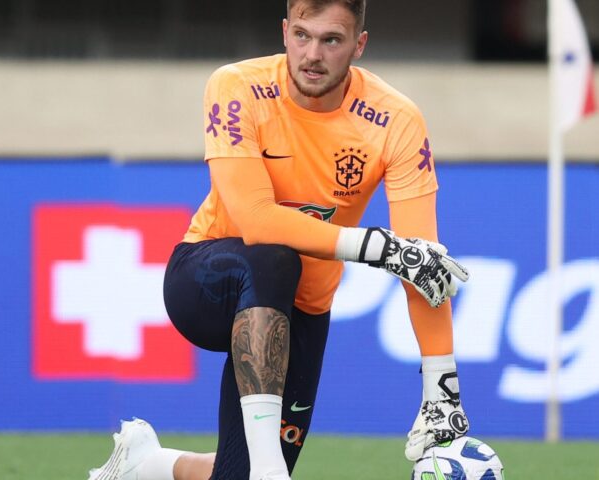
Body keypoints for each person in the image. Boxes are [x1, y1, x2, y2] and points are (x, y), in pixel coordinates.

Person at [88, 1, 471, 479]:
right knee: (273, 259)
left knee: (235, 475)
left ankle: (147, 465)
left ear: (359, 45)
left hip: (303, 308)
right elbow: (258, 222)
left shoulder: (397, 120)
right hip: (206, 282)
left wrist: (442, 387)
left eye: (332, 40)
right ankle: (273, 472)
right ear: (285, 31)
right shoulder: (236, 86)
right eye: (303, 36)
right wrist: (381, 249)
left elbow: (424, 266)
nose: (312, 54)